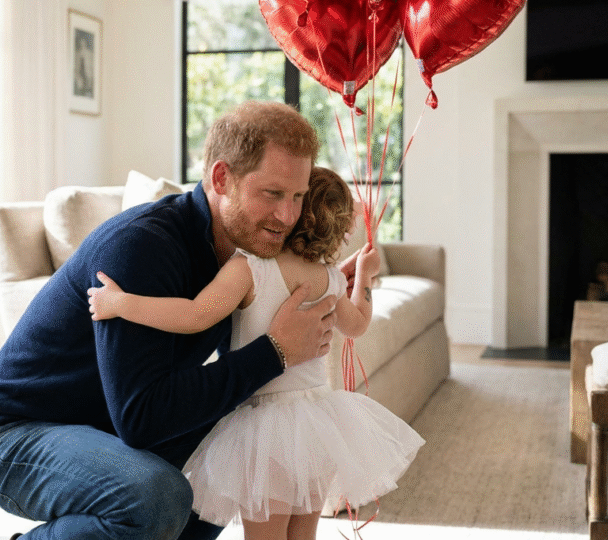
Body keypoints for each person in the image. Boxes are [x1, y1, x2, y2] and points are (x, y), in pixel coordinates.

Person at [0, 101, 350, 540]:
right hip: (17, 435)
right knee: (156, 497)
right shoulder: (142, 247)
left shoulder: (247, 260)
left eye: (298, 196)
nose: (287, 216)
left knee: (240, 450)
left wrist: (329, 282)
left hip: (106, 428)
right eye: (272, 193)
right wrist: (276, 352)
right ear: (222, 178)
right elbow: (141, 416)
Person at [87, 167, 424, 540]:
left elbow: (194, 315)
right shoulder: (327, 277)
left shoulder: (250, 267)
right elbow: (358, 323)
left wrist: (122, 303)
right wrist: (364, 276)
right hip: (319, 425)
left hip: (267, 430)